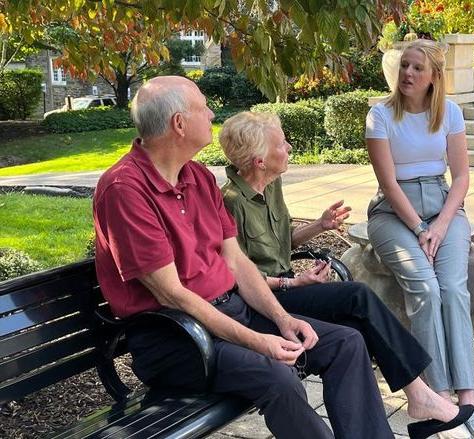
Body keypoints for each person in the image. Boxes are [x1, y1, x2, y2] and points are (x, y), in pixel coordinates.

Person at [93, 76, 395, 439]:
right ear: (179, 124)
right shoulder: (125, 190)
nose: (211, 113)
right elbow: (172, 294)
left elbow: (236, 261)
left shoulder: (198, 177)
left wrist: (282, 320)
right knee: (277, 375)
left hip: (228, 314)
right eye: (203, 107)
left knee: (345, 343)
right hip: (176, 340)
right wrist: (257, 341)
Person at [218, 110, 474, 438]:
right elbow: (238, 275)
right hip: (265, 302)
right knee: (357, 295)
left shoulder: (271, 184)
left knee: (354, 329)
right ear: (259, 160)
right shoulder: (232, 202)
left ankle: (413, 401)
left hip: (287, 289)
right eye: (281, 144)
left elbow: (280, 245)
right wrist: (292, 281)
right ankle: (420, 394)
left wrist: (318, 226)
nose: (290, 147)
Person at [365, 38, 474, 439]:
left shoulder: (450, 113)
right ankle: (439, 399)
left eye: (417, 68)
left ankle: (468, 403)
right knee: (424, 287)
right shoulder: (380, 115)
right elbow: (388, 184)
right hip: (394, 211)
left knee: (454, 289)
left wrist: (439, 225)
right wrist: (420, 229)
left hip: (443, 206)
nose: (407, 74)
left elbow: (460, 178)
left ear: (434, 77)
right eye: (404, 65)